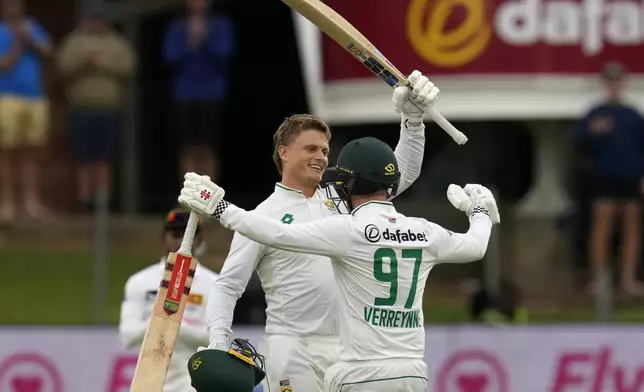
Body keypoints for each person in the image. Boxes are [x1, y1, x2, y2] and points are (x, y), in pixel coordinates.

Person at [177, 137, 499, 392]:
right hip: (413, 373)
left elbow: (276, 232)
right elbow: (476, 245)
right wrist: (479, 211)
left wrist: (220, 208)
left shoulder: (348, 230)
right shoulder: (423, 230)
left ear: (348, 184)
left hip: (358, 373)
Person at [195, 70, 439, 392]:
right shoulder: (261, 216)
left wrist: (413, 122)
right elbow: (227, 287)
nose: (321, 157)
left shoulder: (343, 198)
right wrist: (218, 341)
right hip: (292, 347)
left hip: (349, 349)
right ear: (284, 152)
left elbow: (398, 175)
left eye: (325, 150)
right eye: (311, 149)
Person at [118, 206, 219, 392]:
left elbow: (215, 340)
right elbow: (128, 337)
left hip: (193, 378)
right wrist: (159, 318)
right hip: (149, 377)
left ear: (199, 239)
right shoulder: (139, 281)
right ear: (164, 237)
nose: (182, 241)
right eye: (176, 234)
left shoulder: (214, 284)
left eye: (188, 235)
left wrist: (173, 321)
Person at [572, 62, 644, 296]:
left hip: (629, 177)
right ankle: (600, 279)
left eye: (618, 81)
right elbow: (578, 143)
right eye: (610, 81)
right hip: (604, 177)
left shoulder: (632, 115)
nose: (614, 86)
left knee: (631, 227)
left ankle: (628, 279)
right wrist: (592, 131)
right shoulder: (596, 113)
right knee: (602, 225)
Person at [57, 7, 137, 213]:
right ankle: (85, 203)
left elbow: (130, 67)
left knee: (103, 158)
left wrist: (104, 63)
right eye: (92, 20)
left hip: (109, 109)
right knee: (83, 158)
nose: (96, 24)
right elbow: (62, 67)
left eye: (99, 20)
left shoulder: (117, 43)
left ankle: (102, 203)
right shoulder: (73, 42)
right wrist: (83, 62)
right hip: (81, 109)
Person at [163, 0, 235, 182]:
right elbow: (169, 56)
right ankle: (189, 194)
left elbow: (225, 53)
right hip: (184, 94)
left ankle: (208, 192)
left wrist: (205, 39)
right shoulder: (177, 26)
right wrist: (190, 42)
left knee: (208, 145)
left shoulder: (220, 24)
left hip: (212, 93)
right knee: (187, 146)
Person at [0, 0, 53, 222]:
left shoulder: (32, 26)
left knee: (31, 151)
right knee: (6, 152)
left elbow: (49, 52)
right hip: (7, 97)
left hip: (35, 97)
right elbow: (4, 64)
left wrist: (30, 38)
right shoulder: (2, 31)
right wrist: (18, 43)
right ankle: (7, 205)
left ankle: (32, 204)